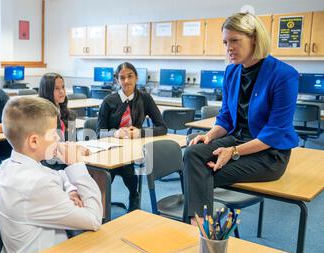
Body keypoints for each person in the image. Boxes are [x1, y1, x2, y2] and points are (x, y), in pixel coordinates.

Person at [183, 12, 299, 224]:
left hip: (269, 154)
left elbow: (274, 133)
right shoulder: (231, 72)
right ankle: (202, 230)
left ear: (255, 38)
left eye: (235, 40)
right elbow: (226, 118)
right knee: (192, 153)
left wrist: (233, 151)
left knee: (198, 175)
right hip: (237, 139)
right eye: (226, 42)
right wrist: (209, 136)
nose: (229, 48)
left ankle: (199, 230)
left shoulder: (284, 75)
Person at [0, 96, 102, 253]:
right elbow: (94, 219)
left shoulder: (8, 165)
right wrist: (77, 165)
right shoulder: (37, 184)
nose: (58, 140)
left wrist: (70, 190)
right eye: (54, 134)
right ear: (34, 141)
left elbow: (58, 176)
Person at [96, 62, 167, 212]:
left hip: (132, 150)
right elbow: (99, 132)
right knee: (119, 169)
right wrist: (114, 133)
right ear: (117, 80)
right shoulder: (108, 101)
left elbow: (162, 127)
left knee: (126, 167)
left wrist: (140, 133)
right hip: (110, 150)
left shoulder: (145, 99)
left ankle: (133, 197)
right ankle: (125, 198)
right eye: (122, 78)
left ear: (136, 77)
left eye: (130, 76)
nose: (126, 81)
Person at [38, 73, 77, 142]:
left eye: (63, 87)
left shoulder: (70, 115)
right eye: (56, 88)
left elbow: (73, 141)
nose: (62, 91)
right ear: (47, 91)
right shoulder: (41, 116)